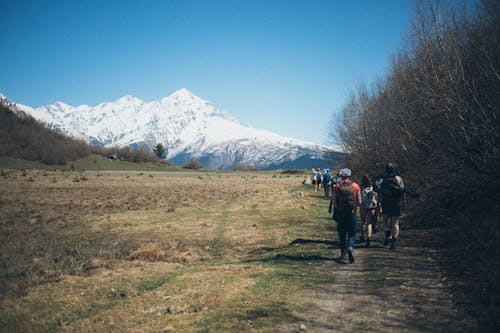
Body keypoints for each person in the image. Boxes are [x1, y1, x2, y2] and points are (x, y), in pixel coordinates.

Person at [329, 168, 361, 263]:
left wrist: (337, 208)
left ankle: (343, 252)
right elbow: (359, 201)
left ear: (341, 176)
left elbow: (334, 201)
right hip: (352, 212)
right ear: (349, 176)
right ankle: (350, 247)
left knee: (342, 233)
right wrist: (355, 207)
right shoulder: (355, 186)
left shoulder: (337, 186)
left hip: (341, 213)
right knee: (352, 233)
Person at [377, 163, 406, 250]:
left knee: (385, 220)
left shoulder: (383, 178)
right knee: (395, 223)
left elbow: (379, 192)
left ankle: (387, 232)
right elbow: (402, 192)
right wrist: (404, 203)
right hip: (396, 202)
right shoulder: (399, 179)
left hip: (386, 202)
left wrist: (378, 202)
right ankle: (394, 240)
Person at [359, 174, 378, 247]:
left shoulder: (361, 189)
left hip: (363, 206)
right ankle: (368, 238)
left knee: (363, 222)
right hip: (371, 206)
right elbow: (376, 197)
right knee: (369, 222)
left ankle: (362, 235)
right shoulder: (372, 188)